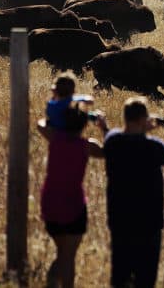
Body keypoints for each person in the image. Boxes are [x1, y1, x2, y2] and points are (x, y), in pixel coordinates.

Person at [103, 96, 164, 287]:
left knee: (120, 274)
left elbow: (111, 136)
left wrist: (141, 126)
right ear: (142, 119)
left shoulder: (113, 141)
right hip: (149, 221)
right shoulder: (154, 146)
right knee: (145, 277)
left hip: (120, 217)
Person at [38, 102, 107, 288]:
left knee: (62, 253)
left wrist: (59, 113)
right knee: (68, 256)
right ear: (85, 125)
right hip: (74, 204)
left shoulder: (55, 138)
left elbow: (41, 123)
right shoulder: (87, 146)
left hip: (50, 200)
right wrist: (104, 127)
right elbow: (110, 151)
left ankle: (51, 283)